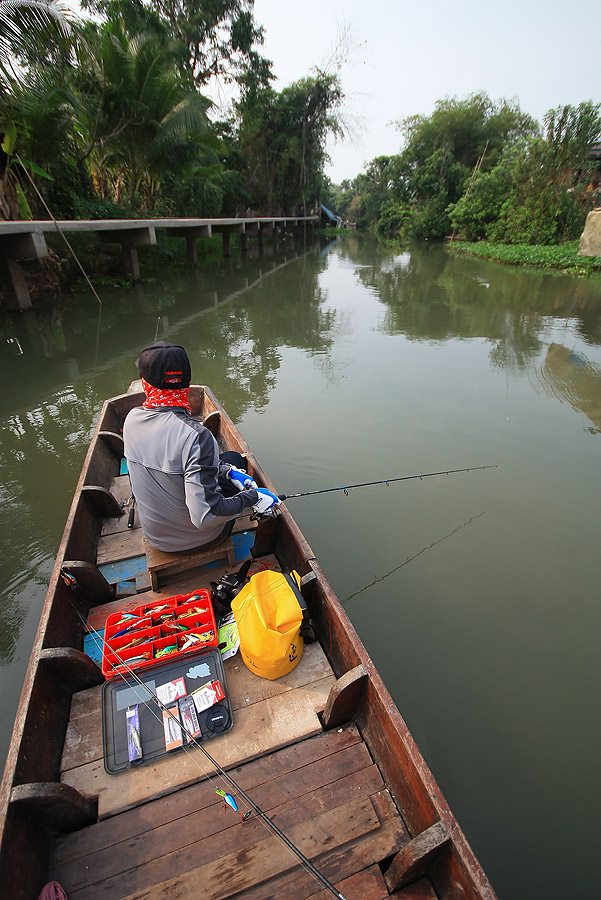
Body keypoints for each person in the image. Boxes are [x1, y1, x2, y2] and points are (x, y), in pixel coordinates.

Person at [123, 341, 280, 553]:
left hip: (156, 538)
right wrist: (253, 498)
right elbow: (205, 517)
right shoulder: (197, 437)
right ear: (187, 383)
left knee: (229, 463)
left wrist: (226, 471)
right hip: (199, 539)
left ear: (145, 384)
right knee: (234, 457)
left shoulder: (131, 420)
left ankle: (229, 470)